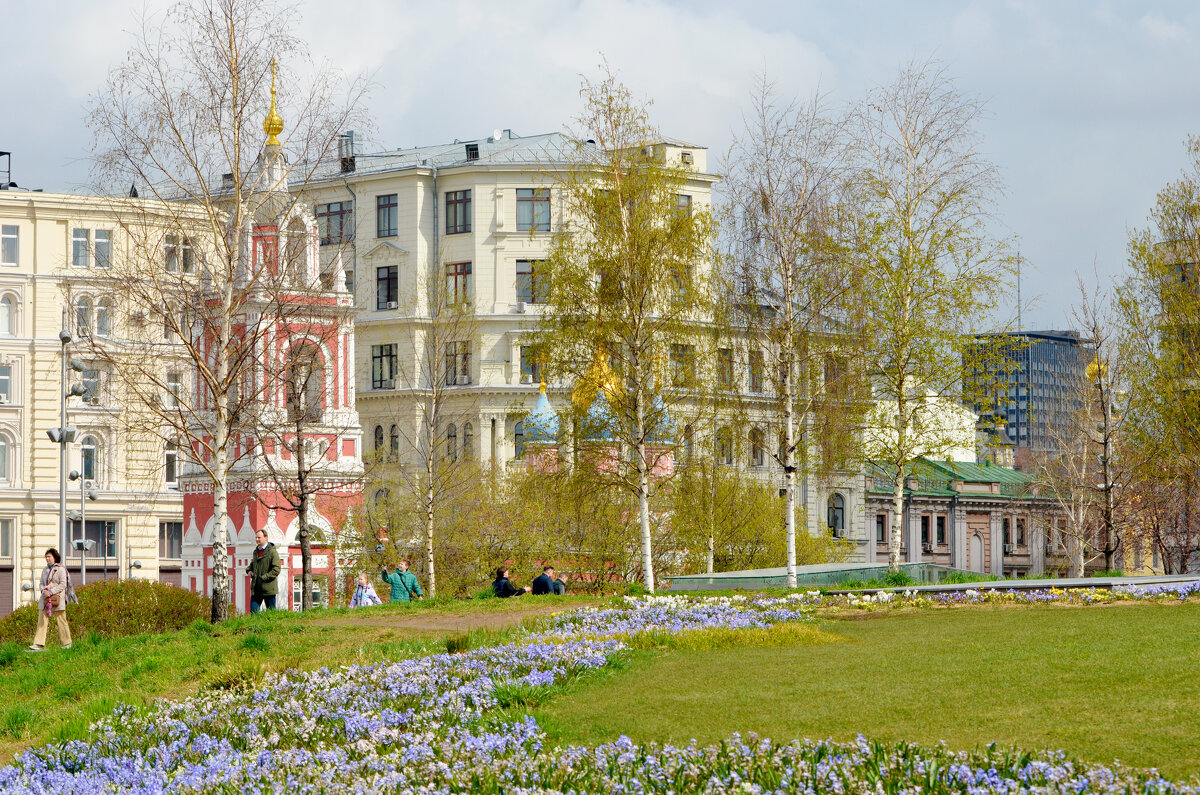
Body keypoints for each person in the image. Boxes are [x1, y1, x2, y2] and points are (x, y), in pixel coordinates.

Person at [29, 548, 73, 651]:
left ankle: (67, 643)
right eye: (46, 557)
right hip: (45, 599)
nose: (47, 559)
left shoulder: (61, 569)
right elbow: (41, 583)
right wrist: (43, 591)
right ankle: (38, 643)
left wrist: (51, 592)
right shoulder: (45, 570)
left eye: (49, 557)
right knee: (42, 620)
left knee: (61, 620)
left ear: (54, 557)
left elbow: (63, 584)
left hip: (57, 598)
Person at [247, 528, 281, 613]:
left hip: (268, 589)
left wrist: (263, 578)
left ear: (265, 538)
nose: (257, 539)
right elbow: (252, 565)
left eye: (259, 537)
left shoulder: (272, 552)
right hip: (256, 588)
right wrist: (249, 571)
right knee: (254, 612)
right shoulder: (256, 552)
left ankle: (272, 626)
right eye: (256, 538)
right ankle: (254, 627)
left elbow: (276, 569)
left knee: (271, 613)